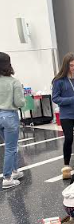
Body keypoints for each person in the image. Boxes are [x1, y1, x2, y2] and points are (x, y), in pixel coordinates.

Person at [52, 52, 74, 180]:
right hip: (66, 114)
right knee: (68, 139)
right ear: (66, 66)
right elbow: (55, 98)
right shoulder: (59, 81)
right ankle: (66, 164)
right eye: (71, 66)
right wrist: (72, 99)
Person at [0, 52, 25, 189]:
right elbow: (20, 102)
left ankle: (15, 171)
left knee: (9, 146)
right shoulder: (14, 82)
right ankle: (7, 177)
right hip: (9, 116)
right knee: (11, 147)